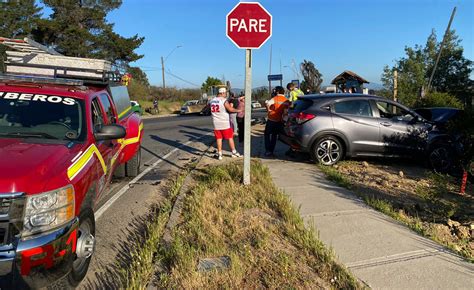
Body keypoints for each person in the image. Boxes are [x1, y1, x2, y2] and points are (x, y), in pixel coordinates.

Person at [210, 87, 242, 160]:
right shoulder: (224, 101)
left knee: (219, 138)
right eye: (225, 93)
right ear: (222, 93)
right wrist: (239, 110)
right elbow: (230, 109)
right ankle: (234, 152)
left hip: (216, 123)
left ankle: (220, 154)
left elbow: (208, 108)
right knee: (230, 137)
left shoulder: (212, 100)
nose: (226, 95)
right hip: (224, 123)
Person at [264, 86, 289, 157]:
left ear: (277, 92)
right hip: (279, 120)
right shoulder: (286, 100)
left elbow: (267, 103)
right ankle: (271, 150)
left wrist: (268, 110)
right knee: (274, 136)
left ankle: (268, 151)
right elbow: (287, 111)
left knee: (267, 134)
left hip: (272, 119)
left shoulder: (275, 98)